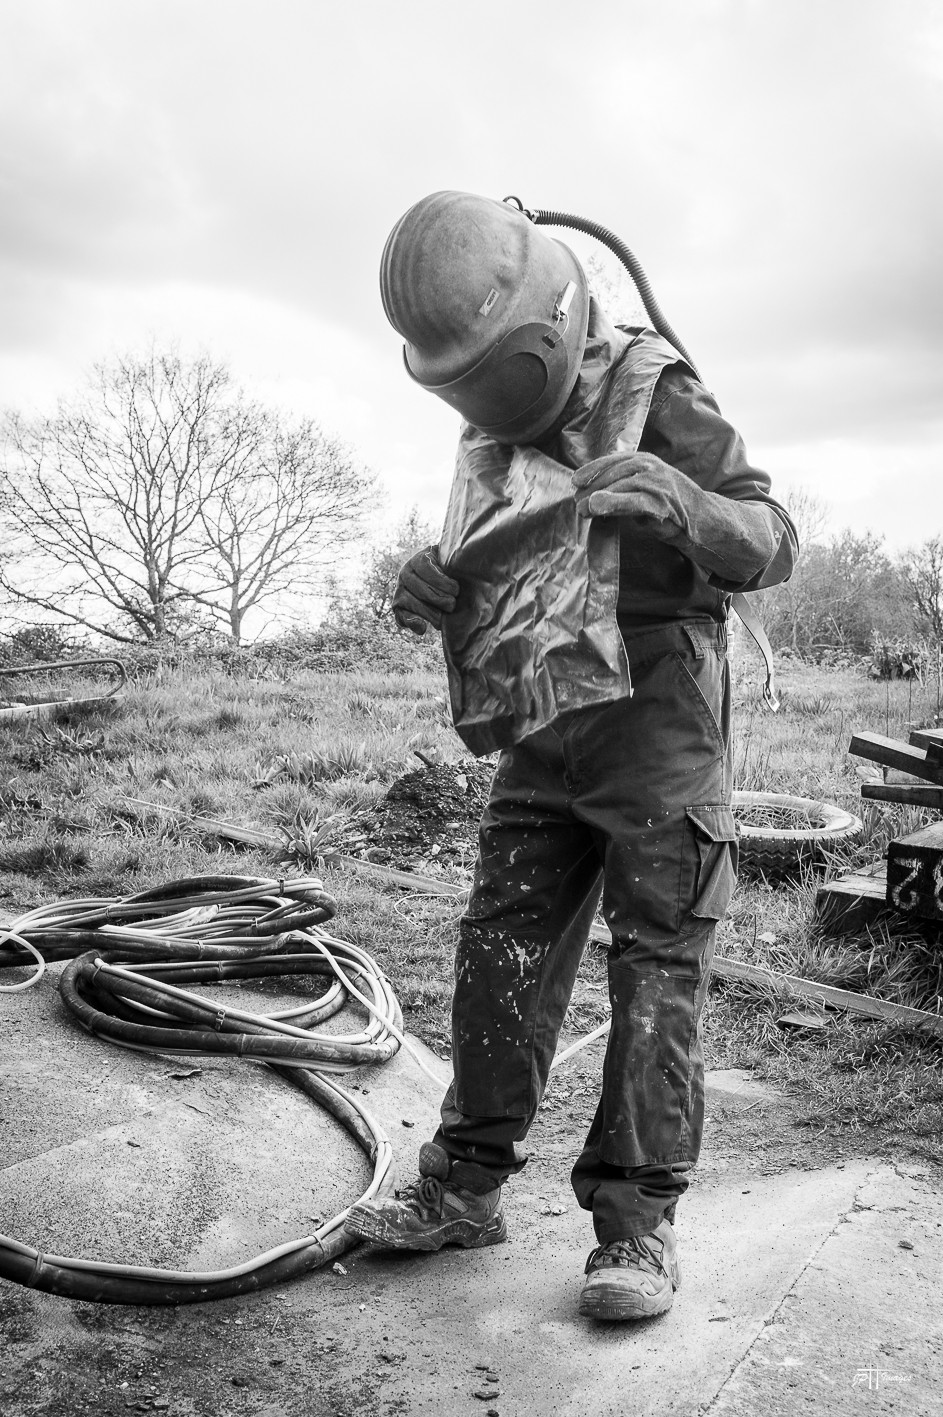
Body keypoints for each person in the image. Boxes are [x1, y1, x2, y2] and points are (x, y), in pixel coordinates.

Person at [345, 191, 797, 1322]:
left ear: (549, 326)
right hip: (541, 707)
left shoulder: (655, 385)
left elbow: (770, 538)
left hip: (658, 710)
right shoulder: (488, 429)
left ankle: (636, 1233)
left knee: (655, 966)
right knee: (499, 947)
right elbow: (492, 555)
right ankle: (464, 1186)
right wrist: (432, 579)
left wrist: (683, 500)